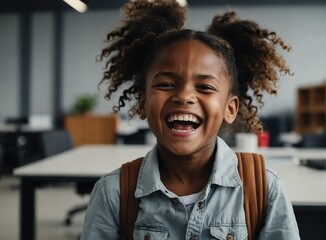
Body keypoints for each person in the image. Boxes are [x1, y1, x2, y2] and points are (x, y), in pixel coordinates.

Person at [81, 0, 299, 239]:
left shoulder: (265, 190)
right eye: (166, 84)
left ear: (230, 108)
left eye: (205, 87)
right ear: (142, 103)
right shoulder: (113, 193)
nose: (184, 96)